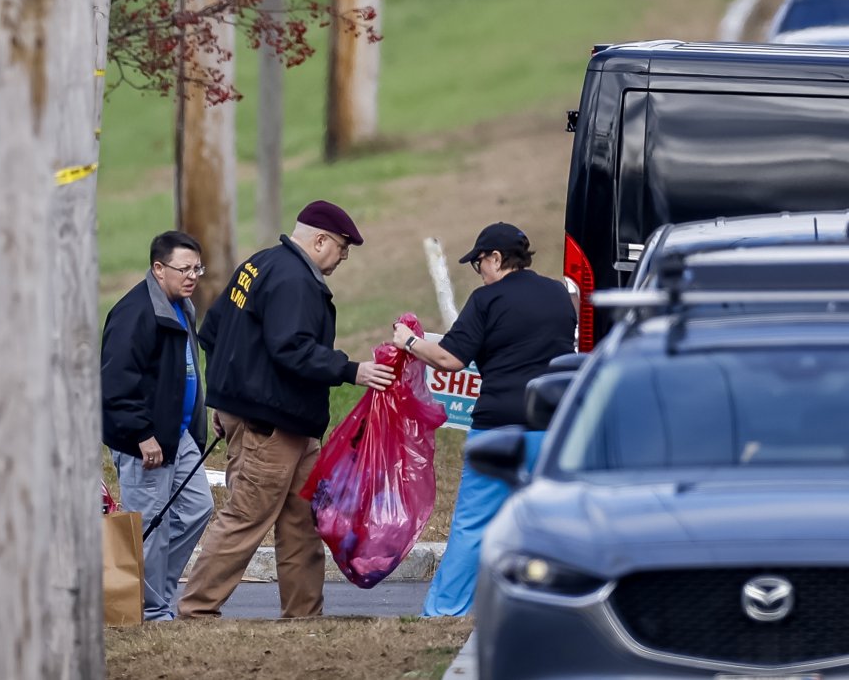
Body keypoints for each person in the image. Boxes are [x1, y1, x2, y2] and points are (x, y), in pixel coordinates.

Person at [178, 200, 395, 619]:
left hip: (284, 423)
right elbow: (291, 348)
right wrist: (353, 371)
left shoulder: (257, 265)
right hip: (271, 425)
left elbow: (211, 331)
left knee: (302, 523)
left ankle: (303, 615)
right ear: (319, 240)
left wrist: (224, 401)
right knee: (246, 517)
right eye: (342, 248)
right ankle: (196, 612)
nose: (344, 258)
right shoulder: (295, 280)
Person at [391, 222, 576, 617]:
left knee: (473, 524)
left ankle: (446, 610)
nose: (480, 272)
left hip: (499, 429)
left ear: (495, 258)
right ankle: (551, 609)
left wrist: (408, 340)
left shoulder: (487, 299)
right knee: (547, 525)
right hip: (555, 429)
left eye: (480, 263)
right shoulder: (560, 295)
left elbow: (450, 359)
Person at [101, 231, 214, 622]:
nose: (193, 276)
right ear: (158, 268)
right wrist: (142, 434)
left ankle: (156, 598)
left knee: (199, 507)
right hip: (144, 439)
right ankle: (150, 613)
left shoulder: (181, 306)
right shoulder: (135, 313)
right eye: (184, 268)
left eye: (197, 267)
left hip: (177, 434)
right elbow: (116, 385)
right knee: (150, 525)